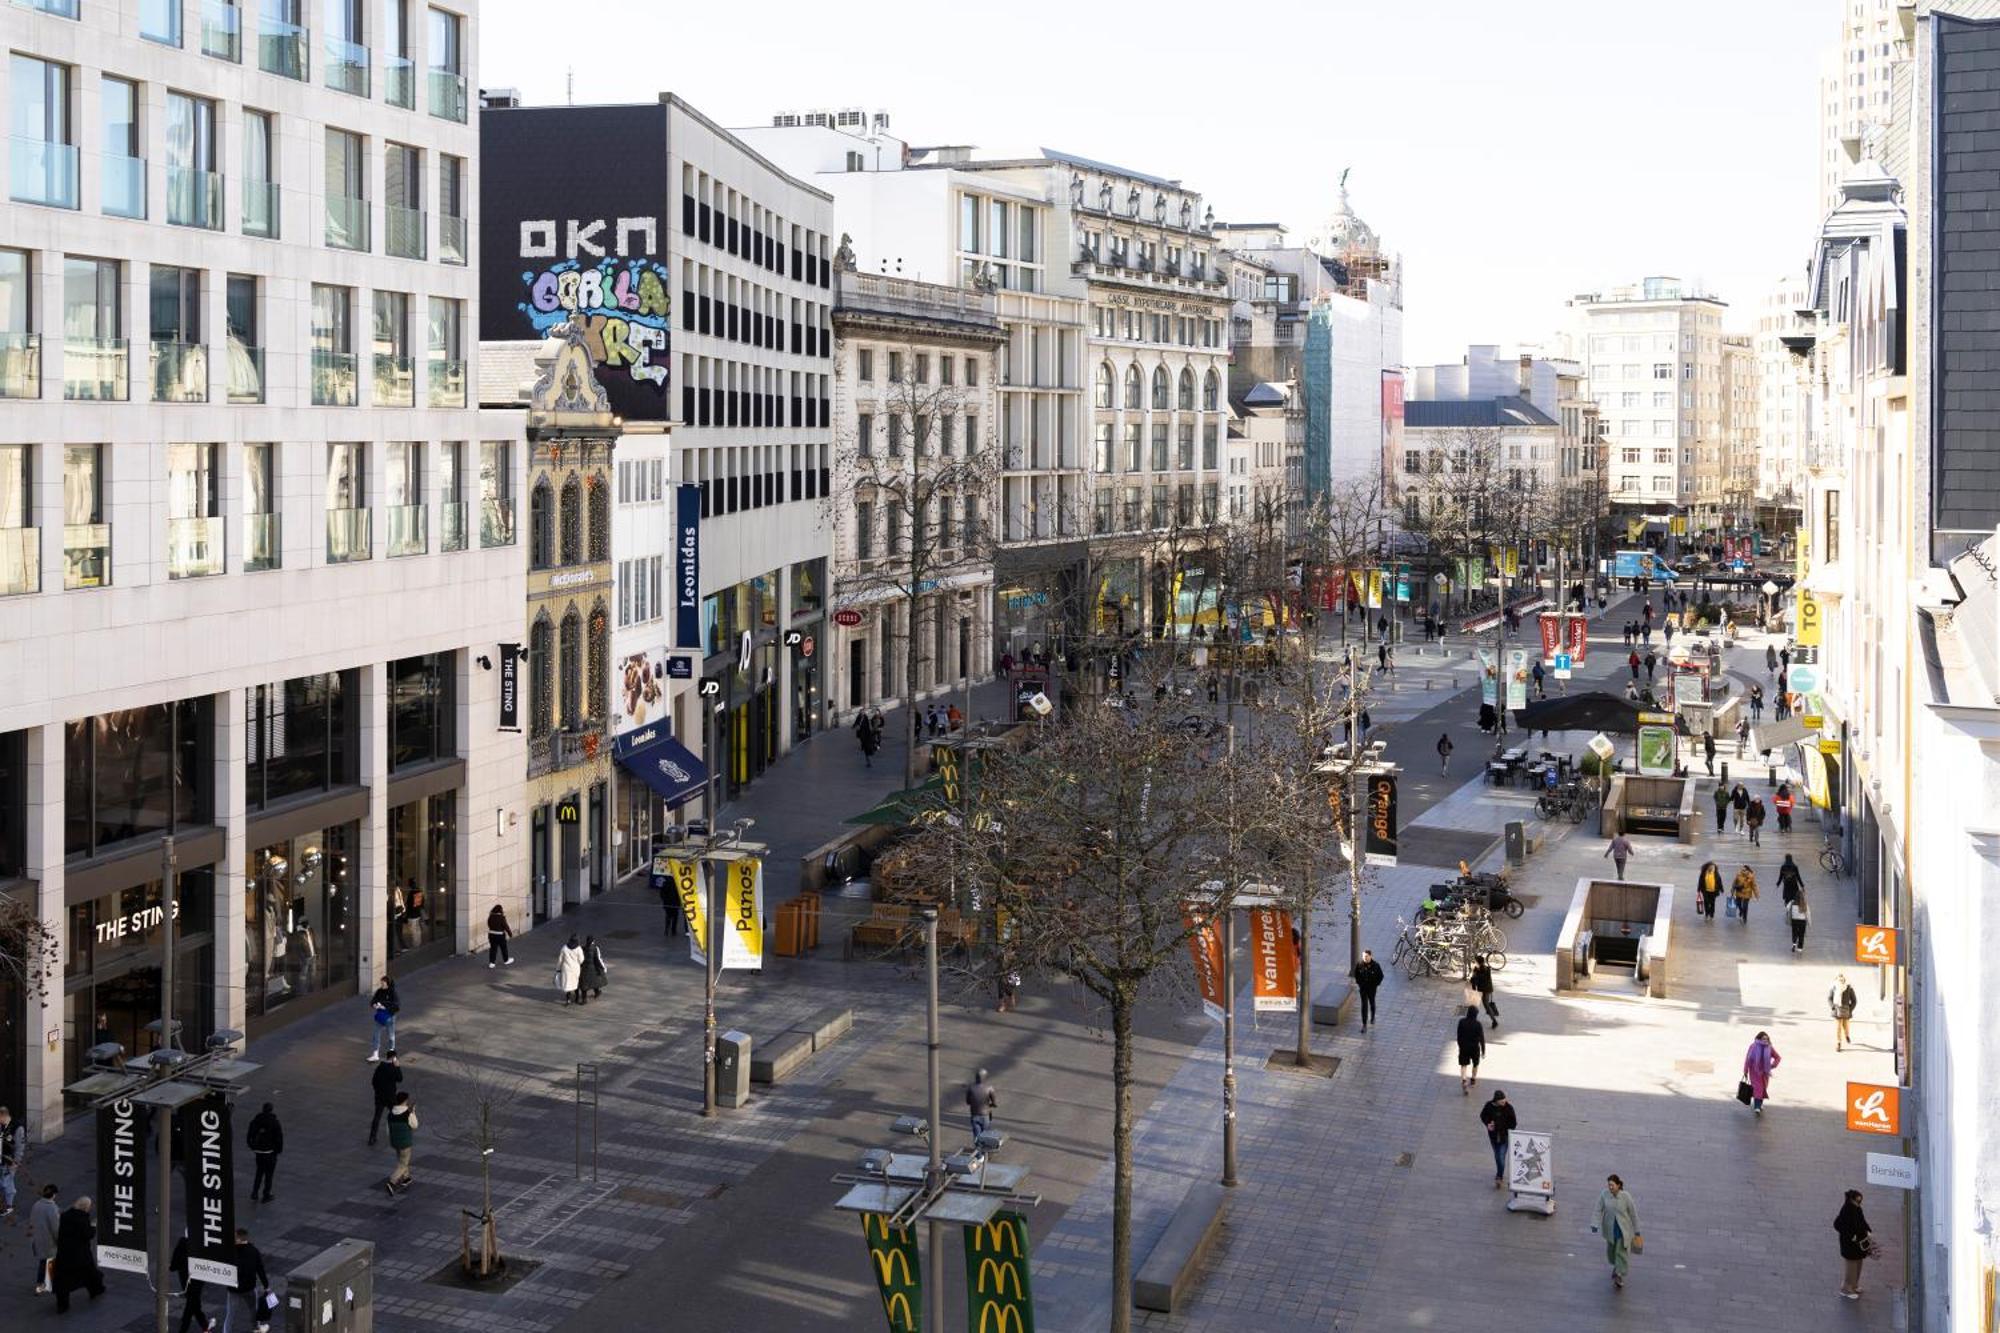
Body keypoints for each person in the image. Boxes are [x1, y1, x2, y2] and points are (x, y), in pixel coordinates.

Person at [51, 1196, 104, 1313]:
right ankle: (96, 1290)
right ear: (86, 1207)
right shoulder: (82, 1219)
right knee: (90, 1273)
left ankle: (62, 1305)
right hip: (80, 1254)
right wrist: (94, 1225)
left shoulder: (65, 1215)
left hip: (64, 1253)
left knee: (63, 1280)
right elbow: (88, 1235)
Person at [1593, 1175, 1642, 1289]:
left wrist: (1637, 1230)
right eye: (1609, 1185)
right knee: (1612, 1252)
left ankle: (1619, 1274)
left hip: (1623, 1231)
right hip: (1610, 1230)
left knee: (1621, 1253)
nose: (1610, 1187)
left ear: (1618, 1185)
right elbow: (1598, 1208)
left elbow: (1633, 1214)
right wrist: (1594, 1223)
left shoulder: (1626, 1197)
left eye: (1612, 1185)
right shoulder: (1604, 1195)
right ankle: (1616, 1266)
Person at [170, 1230, 213, 1333]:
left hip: (186, 1279)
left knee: (191, 1304)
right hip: (199, 1279)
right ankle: (206, 1328)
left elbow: (174, 1263)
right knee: (194, 1304)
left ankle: (197, 1328)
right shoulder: (202, 1244)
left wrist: (173, 1267)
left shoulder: (182, 1244)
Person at [230, 1227, 272, 1333]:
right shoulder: (253, 1251)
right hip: (249, 1288)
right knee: (253, 1310)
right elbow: (260, 1270)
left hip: (233, 1289)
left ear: (239, 1238)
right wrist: (266, 1286)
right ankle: (256, 1329)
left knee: (230, 1314)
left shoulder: (231, 1251)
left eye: (235, 1236)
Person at [1835, 1189, 1872, 1299]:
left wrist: (1868, 1230)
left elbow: (1862, 1221)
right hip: (1850, 1244)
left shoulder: (1857, 1208)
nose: (1859, 1203)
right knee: (1851, 1265)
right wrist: (1852, 1236)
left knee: (1858, 1263)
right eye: (1857, 1200)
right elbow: (1837, 1225)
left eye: (1860, 1200)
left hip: (1859, 1243)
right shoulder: (1846, 1210)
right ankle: (1846, 1289)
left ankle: (1854, 1285)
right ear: (1851, 1199)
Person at [1478, 1090, 1517, 1189]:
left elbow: (1513, 1124)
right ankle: (1499, 1172)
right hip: (1493, 1136)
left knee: (1501, 1156)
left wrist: (1501, 1126)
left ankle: (1499, 1176)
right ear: (1496, 1100)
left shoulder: (1508, 1108)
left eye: (1505, 1100)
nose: (1504, 1102)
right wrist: (1488, 1124)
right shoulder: (1489, 1106)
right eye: (1502, 1101)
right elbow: (1483, 1115)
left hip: (1504, 1137)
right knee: (1497, 1155)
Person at [245, 1102, 283, 1203]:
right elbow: (279, 1139)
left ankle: (255, 1192)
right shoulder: (275, 1122)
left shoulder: (256, 1121)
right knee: (269, 1175)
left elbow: (249, 1136)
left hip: (259, 1153)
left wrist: (253, 1147)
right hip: (270, 1153)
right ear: (271, 1110)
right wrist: (277, 1151)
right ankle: (266, 1195)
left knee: (259, 1172)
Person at [385, 1092, 418, 1195]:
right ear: (405, 1100)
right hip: (405, 1142)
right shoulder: (408, 1113)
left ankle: (406, 1178)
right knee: (403, 1163)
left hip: (395, 1142)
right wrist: (413, 1113)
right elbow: (415, 1125)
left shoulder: (390, 1114)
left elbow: (387, 1130)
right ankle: (392, 1181)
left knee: (401, 1159)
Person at [29, 1182, 59, 1294]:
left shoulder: (36, 1205)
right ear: (54, 1195)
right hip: (49, 1241)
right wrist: (59, 1241)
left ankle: (40, 1284)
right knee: (51, 1262)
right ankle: (49, 1284)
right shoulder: (52, 1208)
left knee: (43, 1262)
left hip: (38, 1239)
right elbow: (55, 1228)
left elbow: (32, 1222)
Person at [367, 1050, 402, 1147]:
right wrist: (398, 1067)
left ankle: (372, 1137)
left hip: (379, 1096)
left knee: (377, 1117)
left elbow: (373, 1081)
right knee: (396, 1116)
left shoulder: (379, 1067)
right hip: (391, 1097)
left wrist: (378, 1091)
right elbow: (400, 1079)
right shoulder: (393, 1068)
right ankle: (398, 1136)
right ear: (393, 1058)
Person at [1743, 1030, 1781, 1115]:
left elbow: (1778, 1057)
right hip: (1754, 1071)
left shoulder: (1770, 1048)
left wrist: (1773, 1065)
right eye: (1764, 1039)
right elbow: (1748, 1059)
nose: (1765, 1041)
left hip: (1765, 1073)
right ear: (1759, 1038)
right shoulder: (1753, 1046)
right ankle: (1757, 1107)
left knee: (1763, 1088)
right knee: (1758, 1088)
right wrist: (1745, 1070)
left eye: (1767, 1039)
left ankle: (1759, 1104)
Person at [367, 975, 400, 1061]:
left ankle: (392, 1054)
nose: (381, 984)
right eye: (381, 982)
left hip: (389, 1017)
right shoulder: (379, 991)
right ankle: (375, 1054)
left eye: (383, 982)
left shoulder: (392, 992)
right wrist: (374, 1004)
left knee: (391, 1036)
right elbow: (373, 1000)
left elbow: (397, 1006)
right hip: (380, 1016)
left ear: (387, 983)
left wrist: (385, 1007)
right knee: (376, 1035)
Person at [1456, 1004, 1486, 1095]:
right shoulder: (1478, 1024)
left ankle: (1464, 1080)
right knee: (1475, 1064)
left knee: (1463, 1065)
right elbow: (1482, 1038)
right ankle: (1473, 1079)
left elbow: (1459, 1035)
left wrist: (1460, 1045)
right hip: (1474, 1048)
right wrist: (1483, 1051)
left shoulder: (1461, 1022)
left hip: (1464, 1047)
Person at [1351, 950, 1384, 1030]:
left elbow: (1381, 976)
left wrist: (1375, 984)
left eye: (1366, 956)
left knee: (1372, 1003)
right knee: (1364, 1006)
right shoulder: (1360, 964)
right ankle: (1364, 1024)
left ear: (1370, 956)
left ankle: (1372, 1017)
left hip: (1372, 989)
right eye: (1363, 956)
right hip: (1363, 989)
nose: (1364, 958)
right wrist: (1359, 983)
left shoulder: (1376, 965)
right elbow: (1356, 975)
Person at [0, 1104, 23, 1217]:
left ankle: (8, 1206)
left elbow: (19, 1147)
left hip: (9, 1161)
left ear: (4, 1116)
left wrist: (16, 1162)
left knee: (7, 1184)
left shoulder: (17, 1128)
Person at [966, 1068, 998, 1138]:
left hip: (974, 1114)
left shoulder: (971, 1088)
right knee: (986, 1135)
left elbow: (968, 1102)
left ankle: (978, 1148)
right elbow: (995, 1103)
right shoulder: (989, 1088)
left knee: (977, 1136)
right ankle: (985, 1148)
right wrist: (991, 1105)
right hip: (985, 1115)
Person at [1830, 974, 1858, 1051]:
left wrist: (1850, 1009)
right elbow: (1829, 998)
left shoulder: (1849, 988)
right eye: (1839, 979)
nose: (1841, 980)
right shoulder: (1834, 987)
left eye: (1842, 979)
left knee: (1846, 1026)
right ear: (1836, 979)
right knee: (1838, 1027)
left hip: (1846, 1011)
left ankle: (1847, 1035)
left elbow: (1854, 1001)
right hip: (1837, 1010)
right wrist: (1832, 1006)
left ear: (1845, 980)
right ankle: (1838, 1043)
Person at [1470, 955, 1499, 1028]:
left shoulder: (1478, 970)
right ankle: (1493, 1020)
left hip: (1483, 989)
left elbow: (1475, 980)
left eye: (1475, 962)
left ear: (1478, 962)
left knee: (1479, 1004)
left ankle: (1494, 1020)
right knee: (1485, 1004)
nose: (1474, 963)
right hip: (1487, 989)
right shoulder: (1486, 968)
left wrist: (1473, 978)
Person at [556, 935, 585, 1006]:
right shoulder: (578, 949)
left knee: (568, 984)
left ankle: (568, 1000)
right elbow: (581, 960)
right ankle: (577, 998)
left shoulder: (564, 948)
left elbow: (560, 960)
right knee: (576, 983)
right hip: (575, 969)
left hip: (566, 969)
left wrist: (558, 969)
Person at [580, 935, 610, 1002]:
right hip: (593, 968)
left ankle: (584, 999)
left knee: (584, 985)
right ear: (593, 941)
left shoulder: (583, 948)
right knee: (594, 981)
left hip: (585, 968)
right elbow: (598, 959)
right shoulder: (595, 948)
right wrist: (603, 967)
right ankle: (597, 992)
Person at [486, 902, 515, 966]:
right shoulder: (501, 917)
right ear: (500, 910)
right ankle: (506, 960)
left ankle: (492, 963)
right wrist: (510, 934)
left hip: (491, 935)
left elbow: (488, 924)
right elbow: (506, 926)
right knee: (503, 948)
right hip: (500, 935)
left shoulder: (490, 916)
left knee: (493, 949)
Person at [1786, 886, 1811, 953]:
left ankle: (1794, 944)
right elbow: (1808, 914)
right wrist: (1809, 923)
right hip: (1802, 921)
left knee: (1794, 933)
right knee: (1801, 935)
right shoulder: (1805, 904)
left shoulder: (1792, 902)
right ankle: (1800, 949)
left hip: (1794, 920)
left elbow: (1787, 908)